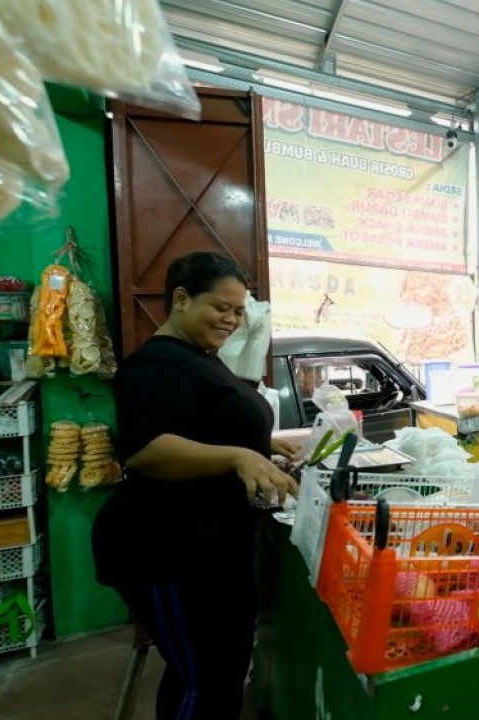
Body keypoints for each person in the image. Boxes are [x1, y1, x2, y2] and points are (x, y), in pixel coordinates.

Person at [92, 252, 300, 720]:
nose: (231, 320)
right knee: (204, 679)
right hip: (170, 550)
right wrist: (239, 455)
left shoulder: (200, 357)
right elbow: (148, 448)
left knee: (216, 670)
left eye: (239, 311)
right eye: (220, 307)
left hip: (213, 547)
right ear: (182, 299)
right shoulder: (156, 364)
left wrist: (261, 443)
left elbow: (202, 422)